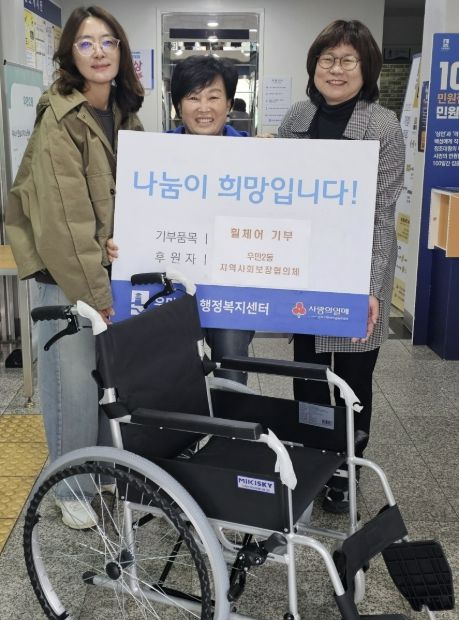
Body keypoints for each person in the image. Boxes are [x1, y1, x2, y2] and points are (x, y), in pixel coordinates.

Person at [6, 5, 144, 529]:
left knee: (105, 377)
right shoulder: (60, 118)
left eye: (108, 41)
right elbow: (66, 222)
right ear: (70, 55)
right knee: (72, 387)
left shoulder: (125, 113)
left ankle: (100, 469)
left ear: (121, 50)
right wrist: (98, 295)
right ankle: (69, 486)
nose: (99, 52)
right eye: (86, 43)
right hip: (66, 278)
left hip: (104, 271)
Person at [278, 19, 404, 513]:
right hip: (307, 272)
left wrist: (370, 288)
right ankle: (315, 461)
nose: (336, 69)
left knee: (353, 379)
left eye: (348, 60)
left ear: (365, 67)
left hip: (357, 272)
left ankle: (347, 470)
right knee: (309, 375)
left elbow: (381, 215)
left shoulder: (383, 126)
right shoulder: (297, 117)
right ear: (314, 65)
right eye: (327, 59)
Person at [108, 55, 254, 384]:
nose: (204, 108)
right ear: (177, 106)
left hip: (232, 288)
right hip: (173, 281)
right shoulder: (155, 154)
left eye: (214, 97)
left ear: (229, 104)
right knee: (172, 373)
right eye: (193, 97)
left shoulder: (253, 154)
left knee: (231, 366)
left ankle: (230, 418)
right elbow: (133, 213)